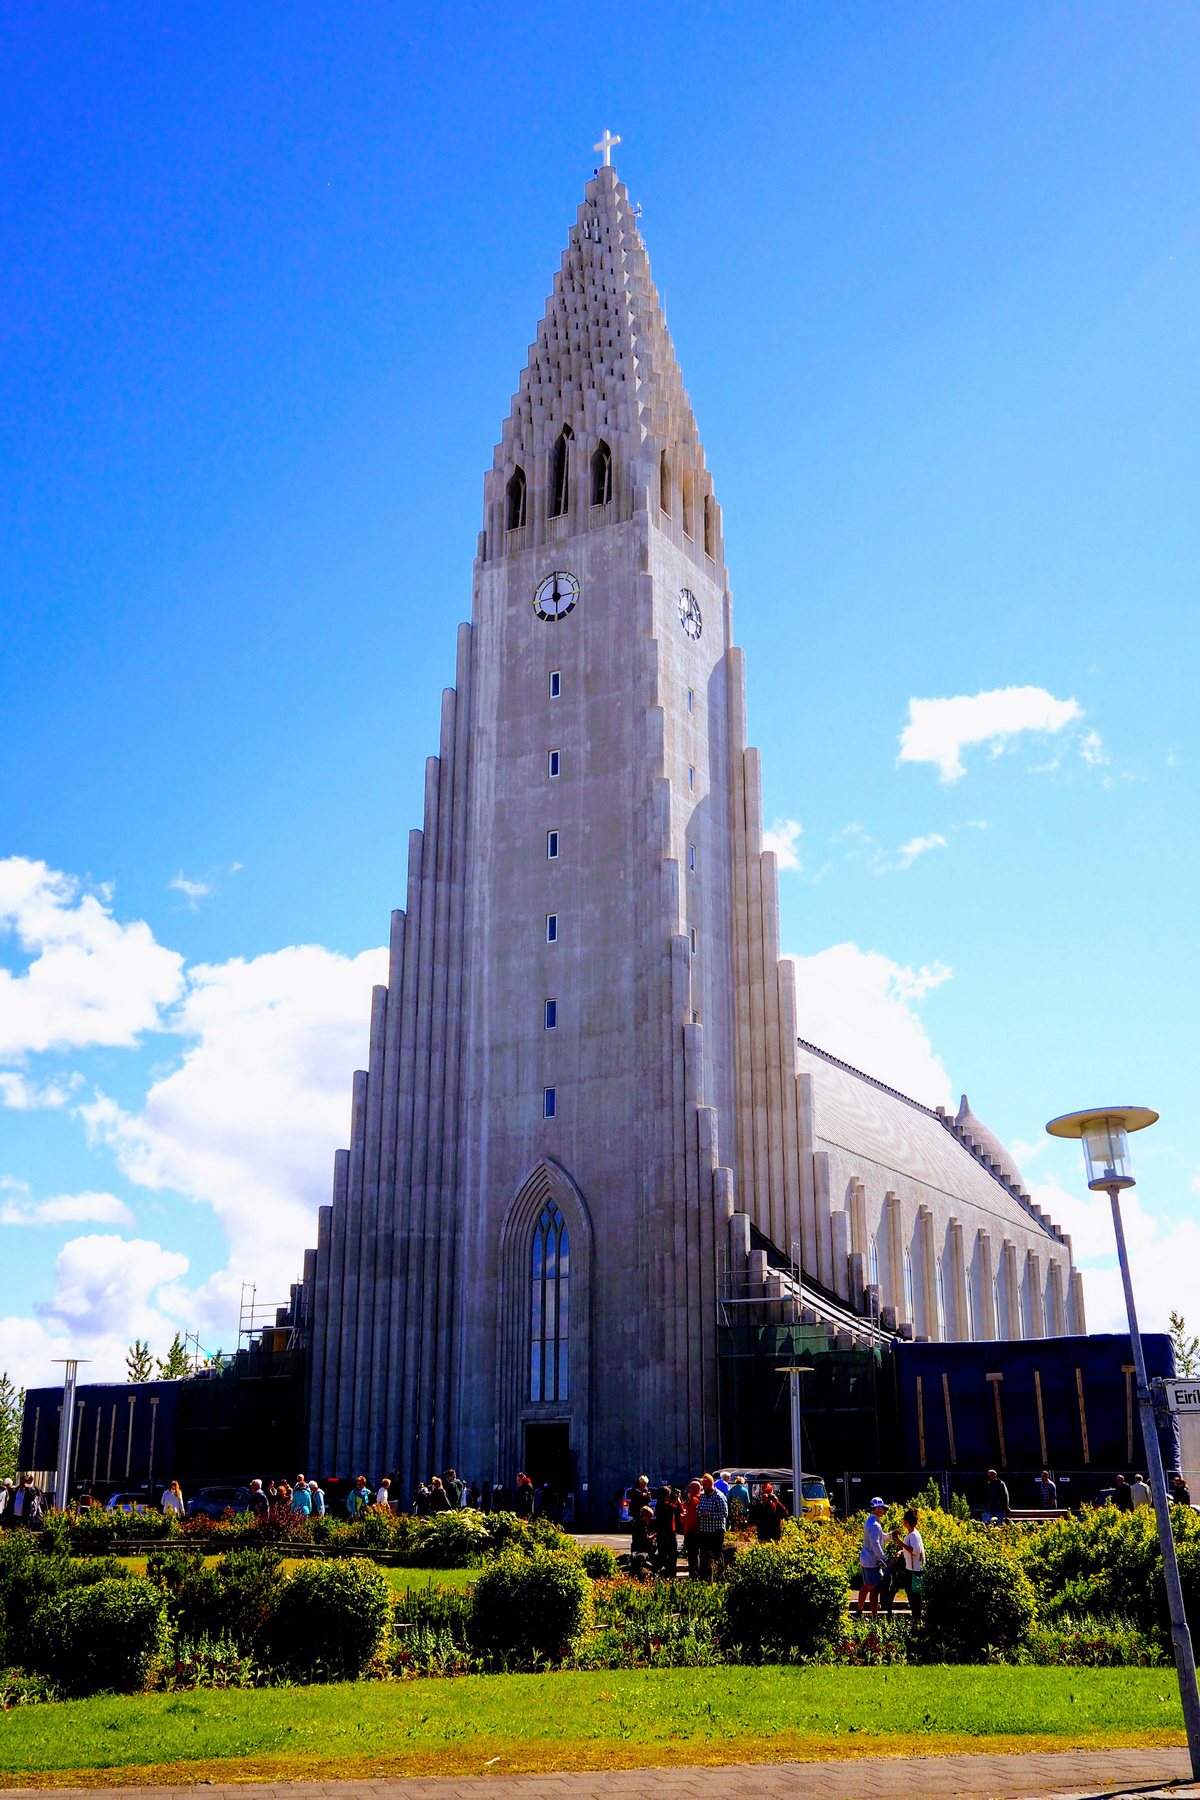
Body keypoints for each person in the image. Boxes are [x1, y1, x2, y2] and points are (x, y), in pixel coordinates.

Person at [856, 1497, 888, 1616]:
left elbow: (880, 1537)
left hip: (867, 1559)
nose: (884, 1511)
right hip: (871, 1561)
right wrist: (884, 1559)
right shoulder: (875, 1525)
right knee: (871, 1585)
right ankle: (859, 1612)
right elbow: (875, 1544)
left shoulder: (870, 1521)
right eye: (882, 1508)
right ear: (878, 1508)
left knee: (875, 1588)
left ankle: (874, 1615)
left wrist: (891, 1535)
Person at [696, 1473, 728, 1581]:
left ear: (710, 1484)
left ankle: (720, 1577)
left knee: (717, 1554)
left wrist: (709, 1514)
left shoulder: (719, 1496)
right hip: (704, 1530)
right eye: (703, 1485)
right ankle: (704, 1578)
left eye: (705, 1485)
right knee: (704, 1555)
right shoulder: (703, 1496)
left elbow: (724, 1513)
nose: (704, 1487)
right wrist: (699, 1513)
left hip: (716, 1531)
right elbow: (698, 1508)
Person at [900, 1506, 926, 1625]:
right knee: (912, 1594)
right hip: (912, 1568)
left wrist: (900, 1544)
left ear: (906, 1522)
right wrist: (901, 1551)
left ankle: (917, 1618)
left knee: (914, 1595)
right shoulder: (913, 1534)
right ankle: (916, 1618)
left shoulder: (913, 1535)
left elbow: (915, 1551)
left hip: (914, 1570)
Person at [654, 1484, 681, 1578]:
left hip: (661, 1534)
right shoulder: (666, 1505)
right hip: (669, 1534)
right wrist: (678, 1499)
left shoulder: (658, 1505)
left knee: (662, 1556)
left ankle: (659, 1573)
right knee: (672, 1556)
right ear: (666, 1496)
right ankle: (671, 1575)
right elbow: (679, 1510)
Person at [680, 1480, 702, 1579]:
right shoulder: (699, 1499)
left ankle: (693, 1576)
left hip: (691, 1532)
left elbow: (691, 1518)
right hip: (696, 1531)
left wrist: (683, 1517)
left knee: (692, 1556)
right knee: (695, 1555)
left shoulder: (694, 1500)